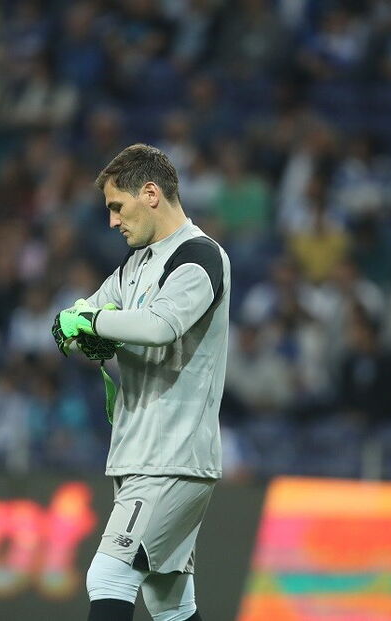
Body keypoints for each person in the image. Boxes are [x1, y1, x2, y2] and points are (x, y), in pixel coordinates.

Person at [52, 144, 230, 621]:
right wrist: (78, 329)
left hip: (172, 456)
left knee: (109, 576)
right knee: (169, 603)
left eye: (117, 207)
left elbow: (158, 327)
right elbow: (81, 315)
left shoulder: (199, 256)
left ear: (150, 193)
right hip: (139, 452)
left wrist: (93, 324)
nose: (112, 221)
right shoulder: (136, 264)